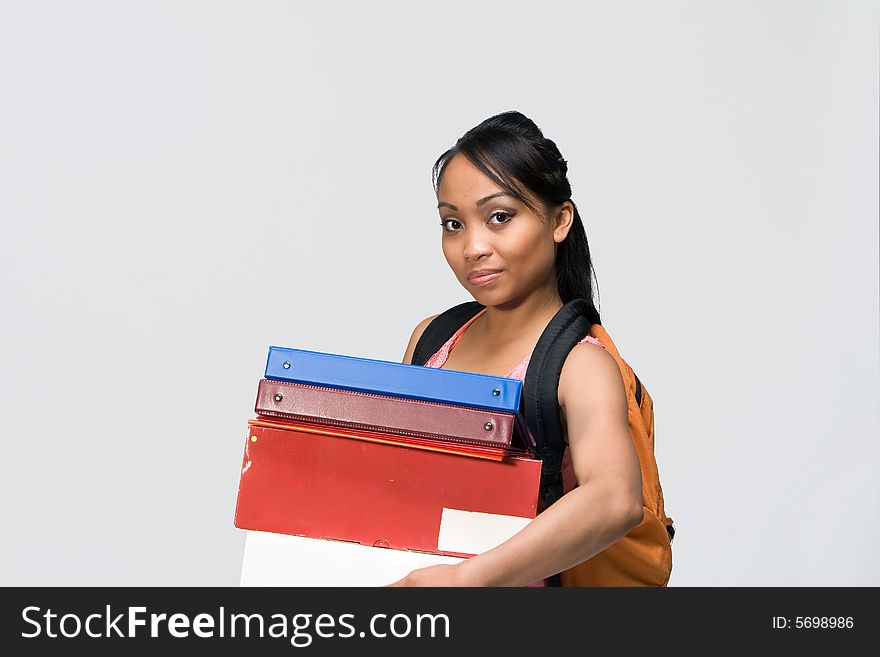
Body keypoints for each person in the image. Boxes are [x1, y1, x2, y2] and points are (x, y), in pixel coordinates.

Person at [387, 110, 645, 587]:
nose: (473, 247)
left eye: (499, 217)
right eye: (453, 224)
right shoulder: (430, 340)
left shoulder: (580, 365)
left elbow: (616, 499)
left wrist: (471, 579)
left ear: (559, 220)